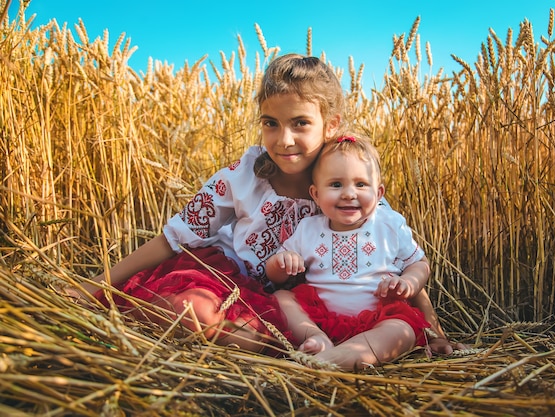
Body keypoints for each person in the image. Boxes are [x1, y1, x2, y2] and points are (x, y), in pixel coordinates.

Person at [75, 53, 462, 355]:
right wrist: (94, 286)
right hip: (226, 281)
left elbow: (392, 259)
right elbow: (171, 240)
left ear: (331, 124)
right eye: (271, 123)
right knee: (198, 312)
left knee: (248, 339)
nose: (283, 139)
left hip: (295, 306)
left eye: (300, 123)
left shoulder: (346, 185)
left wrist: (433, 330)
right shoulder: (241, 177)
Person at [265, 133, 434, 370]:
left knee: (402, 331)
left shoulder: (389, 225)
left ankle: (336, 358)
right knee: (282, 299)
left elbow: (419, 263)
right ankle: (317, 339)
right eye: (335, 185)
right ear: (315, 194)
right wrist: (281, 262)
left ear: (379, 194)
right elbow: (275, 276)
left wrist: (409, 281)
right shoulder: (308, 229)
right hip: (321, 318)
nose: (348, 193)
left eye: (361, 184)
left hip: (378, 320)